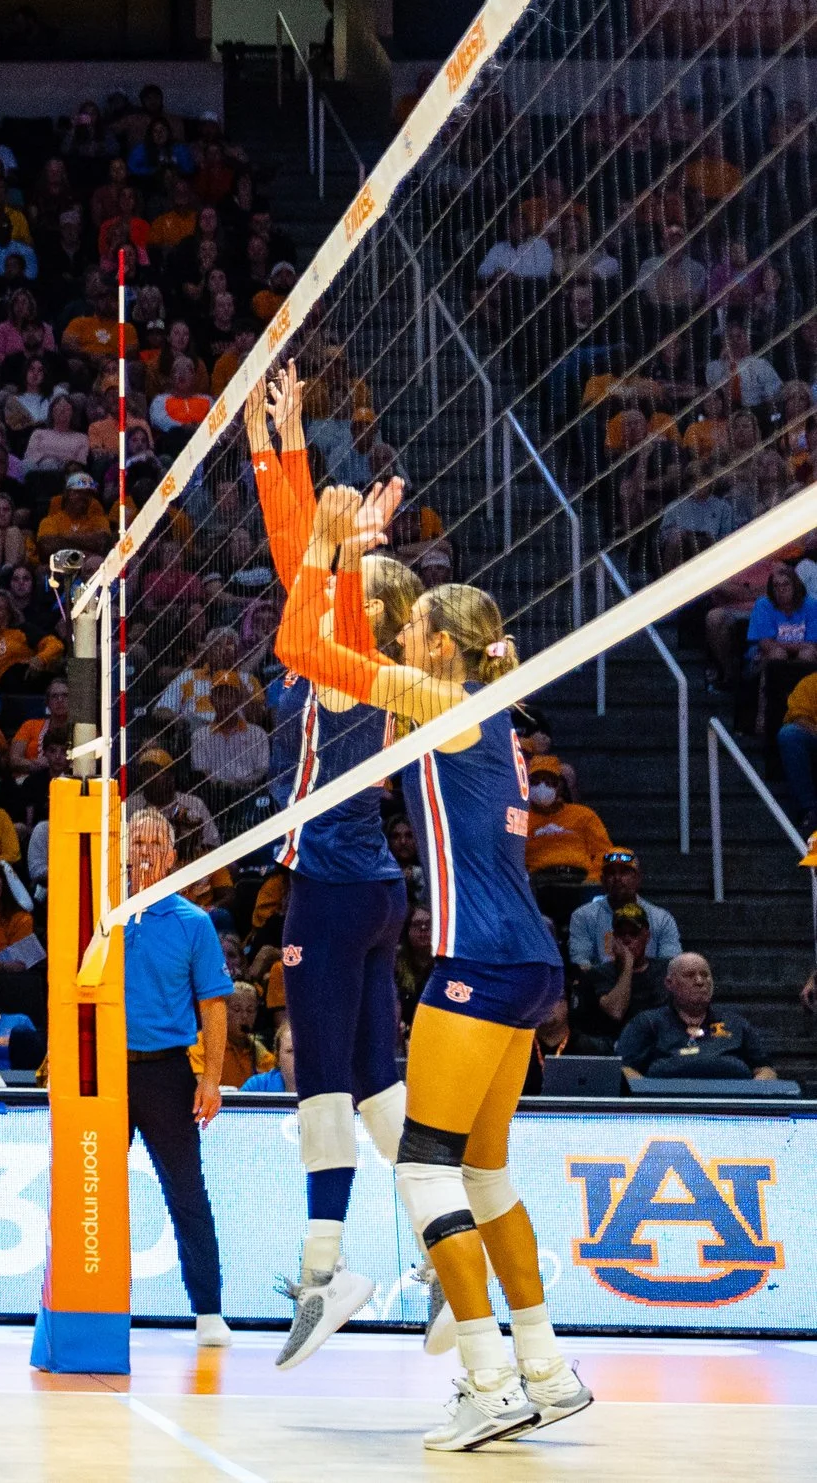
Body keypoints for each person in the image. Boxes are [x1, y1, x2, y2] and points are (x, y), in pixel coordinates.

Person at [274, 480, 588, 1449]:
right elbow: (330, 659)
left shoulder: (438, 699)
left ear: (439, 645)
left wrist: (325, 546)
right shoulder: (482, 709)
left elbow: (304, 651)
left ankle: (488, 1379)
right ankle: (543, 1365)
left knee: (425, 1170)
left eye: (409, 626)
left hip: (480, 963)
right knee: (484, 1173)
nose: (397, 639)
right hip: (530, 960)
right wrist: (330, 540)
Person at [249, 375, 416, 1367]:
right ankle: (453, 1245)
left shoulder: (344, 653)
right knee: (372, 1087)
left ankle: (325, 1271)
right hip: (367, 887)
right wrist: (280, 445)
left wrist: (326, 511)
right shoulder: (342, 635)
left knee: (322, 1082)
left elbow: (305, 574)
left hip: (338, 883)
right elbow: (292, 549)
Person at [118, 811, 233, 1350]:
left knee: (187, 1194)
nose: (143, 850)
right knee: (89, 1192)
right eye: (135, 840)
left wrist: (210, 1079)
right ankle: (83, 1305)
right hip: (105, 1076)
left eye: (154, 842)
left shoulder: (193, 922)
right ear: (120, 852)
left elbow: (214, 1006)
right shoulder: (102, 918)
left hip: (167, 1072)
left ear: (171, 855)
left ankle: (208, 1311)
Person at [615, 952, 778, 1082]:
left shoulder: (736, 1024)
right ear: (669, 983)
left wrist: (750, 1094)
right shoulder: (647, 1023)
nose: (700, 981)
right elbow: (623, 1069)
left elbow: (765, 1069)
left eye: (705, 975)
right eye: (690, 975)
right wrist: (650, 1095)